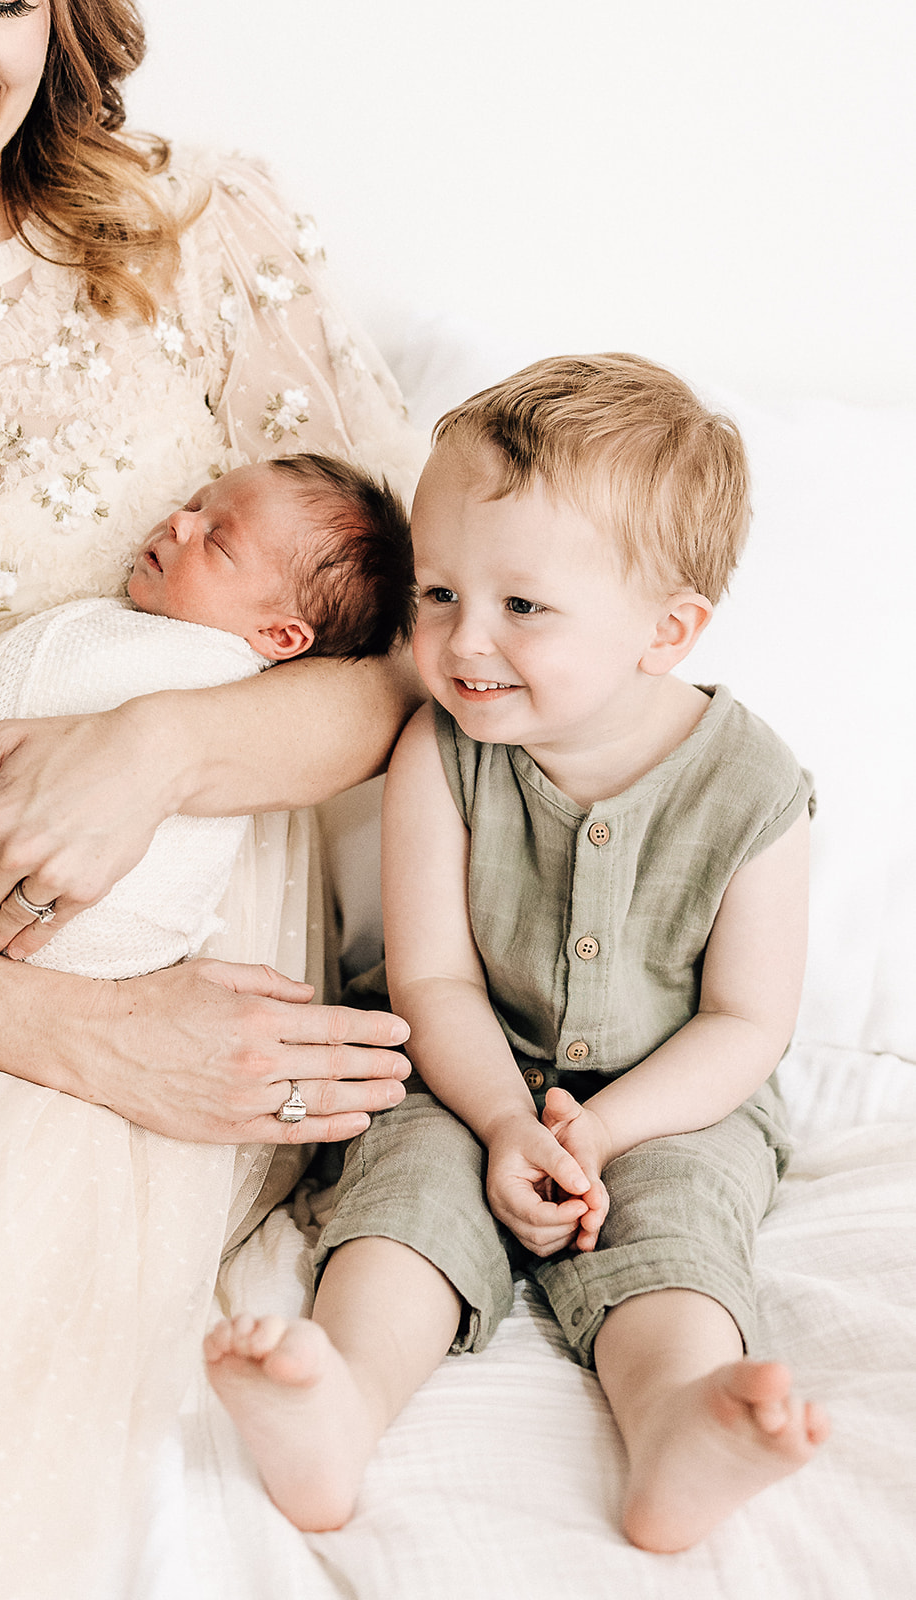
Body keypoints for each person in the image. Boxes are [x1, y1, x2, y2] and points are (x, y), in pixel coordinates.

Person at [0, 1, 423, 1590]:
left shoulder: (196, 236)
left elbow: (431, 654)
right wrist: (68, 1033)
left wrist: (164, 745)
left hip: (165, 942)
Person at [205, 354, 831, 1552]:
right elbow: (429, 979)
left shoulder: (753, 789)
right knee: (405, 1192)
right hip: (464, 1068)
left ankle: (674, 1423)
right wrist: (500, 1120)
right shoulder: (439, 755)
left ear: (668, 629)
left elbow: (745, 1025)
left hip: (671, 1098)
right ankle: (338, 1397)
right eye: (437, 592)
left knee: (680, 1222)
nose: (459, 640)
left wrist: (598, 1133)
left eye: (521, 606)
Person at [0, 452, 415, 982]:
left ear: (281, 636)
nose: (180, 522)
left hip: (62, 911)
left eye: (218, 540)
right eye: (195, 504)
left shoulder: (217, 679)